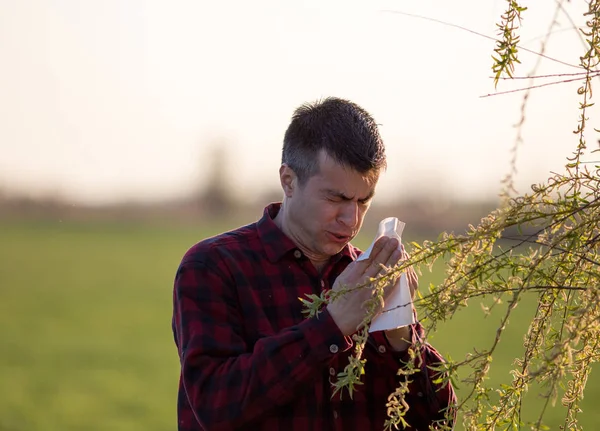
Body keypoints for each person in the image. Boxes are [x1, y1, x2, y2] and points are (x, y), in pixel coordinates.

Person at [172, 97, 456, 431]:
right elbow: (216, 407)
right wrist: (333, 325)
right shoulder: (213, 266)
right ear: (289, 181)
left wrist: (403, 337)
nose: (351, 219)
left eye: (363, 201)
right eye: (336, 198)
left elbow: (439, 420)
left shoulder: (372, 277)